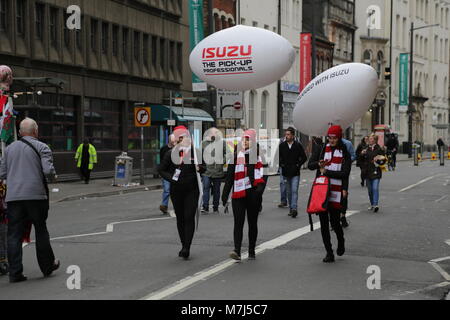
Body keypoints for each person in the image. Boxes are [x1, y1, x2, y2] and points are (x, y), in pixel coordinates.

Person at [0, 118, 60, 283]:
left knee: (14, 235)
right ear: (36, 132)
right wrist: (54, 177)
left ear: (19, 133)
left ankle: (15, 273)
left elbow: (2, 173)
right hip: (36, 196)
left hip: (14, 198)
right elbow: (48, 171)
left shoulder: (9, 149)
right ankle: (47, 266)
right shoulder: (42, 147)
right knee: (41, 230)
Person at [158, 126, 204, 260]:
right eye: (182, 137)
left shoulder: (196, 153)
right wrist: (171, 178)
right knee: (181, 218)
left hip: (192, 190)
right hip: (177, 190)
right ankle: (183, 243)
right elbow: (161, 169)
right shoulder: (171, 153)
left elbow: (204, 168)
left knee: (189, 217)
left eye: (187, 137)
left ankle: (187, 248)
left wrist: (199, 167)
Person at [222, 129, 268, 261]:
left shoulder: (258, 156)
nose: (245, 142)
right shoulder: (236, 156)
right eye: (244, 139)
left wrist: (259, 190)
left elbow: (264, 175)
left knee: (252, 223)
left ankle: (251, 250)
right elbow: (230, 176)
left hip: (253, 194)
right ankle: (237, 250)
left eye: (248, 139)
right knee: (238, 222)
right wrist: (225, 195)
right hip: (238, 194)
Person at [308, 125, 351, 263]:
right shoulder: (322, 149)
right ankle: (329, 252)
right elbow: (310, 165)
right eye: (330, 138)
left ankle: (340, 239)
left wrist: (344, 188)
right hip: (322, 189)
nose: (331, 140)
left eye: (334, 138)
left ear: (339, 138)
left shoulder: (345, 152)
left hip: (336, 191)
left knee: (334, 222)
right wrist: (319, 164)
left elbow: (345, 173)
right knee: (323, 222)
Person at [279, 127, 307, 218]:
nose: (286, 136)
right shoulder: (282, 145)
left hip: (295, 172)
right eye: (286, 134)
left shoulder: (298, 145)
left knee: (294, 190)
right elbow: (278, 157)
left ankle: (294, 208)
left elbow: (304, 157)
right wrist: (282, 165)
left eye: (288, 134)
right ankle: (291, 208)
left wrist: (298, 165)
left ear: (293, 136)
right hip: (286, 172)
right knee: (289, 191)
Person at [201, 128, 226, 214]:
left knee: (216, 190)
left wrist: (222, 161)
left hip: (217, 170)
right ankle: (205, 207)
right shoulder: (203, 143)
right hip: (206, 171)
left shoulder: (222, 143)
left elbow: (229, 153)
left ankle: (215, 208)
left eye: (216, 133)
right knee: (206, 188)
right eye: (212, 133)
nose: (214, 134)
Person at [359, 134, 386, 213]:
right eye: (369, 139)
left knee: (375, 188)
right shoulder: (366, 148)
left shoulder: (379, 149)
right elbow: (360, 159)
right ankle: (372, 204)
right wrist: (362, 154)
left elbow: (383, 159)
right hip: (367, 172)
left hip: (376, 171)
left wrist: (378, 159)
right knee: (370, 190)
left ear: (374, 140)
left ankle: (375, 205)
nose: (369, 140)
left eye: (370, 139)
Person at [159, 134, 176, 214]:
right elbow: (162, 161)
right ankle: (164, 206)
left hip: (175, 173)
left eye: (174, 141)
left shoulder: (177, 149)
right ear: (169, 140)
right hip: (166, 173)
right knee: (166, 190)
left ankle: (176, 205)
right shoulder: (163, 149)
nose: (173, 143)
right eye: (172, 141)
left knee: (175, 190)